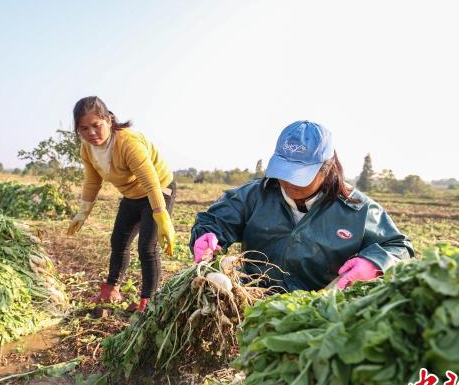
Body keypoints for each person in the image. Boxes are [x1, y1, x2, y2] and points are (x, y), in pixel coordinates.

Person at [190, 120, 414, 291]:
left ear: (326, 169)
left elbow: (399, 247)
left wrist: (375, 262)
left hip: (316, 317)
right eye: (284, 172)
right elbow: (214, 221)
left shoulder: (357, 209)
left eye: (300, 175)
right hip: (253, 307)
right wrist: (206, 235)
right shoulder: (253, 196)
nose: (289, 183)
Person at [66, 96, 176, 312]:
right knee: (118, 241)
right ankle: (110, 290)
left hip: (158, 189)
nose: (91, 133)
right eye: (84, 129)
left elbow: (150, 182)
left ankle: (149, 301)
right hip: (132, 195)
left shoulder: (128, 142)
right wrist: (82, 213)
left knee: (146, 247)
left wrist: (162, 217)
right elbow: (92, 181)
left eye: (96, 126)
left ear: (109, 120)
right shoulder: (87, 149)